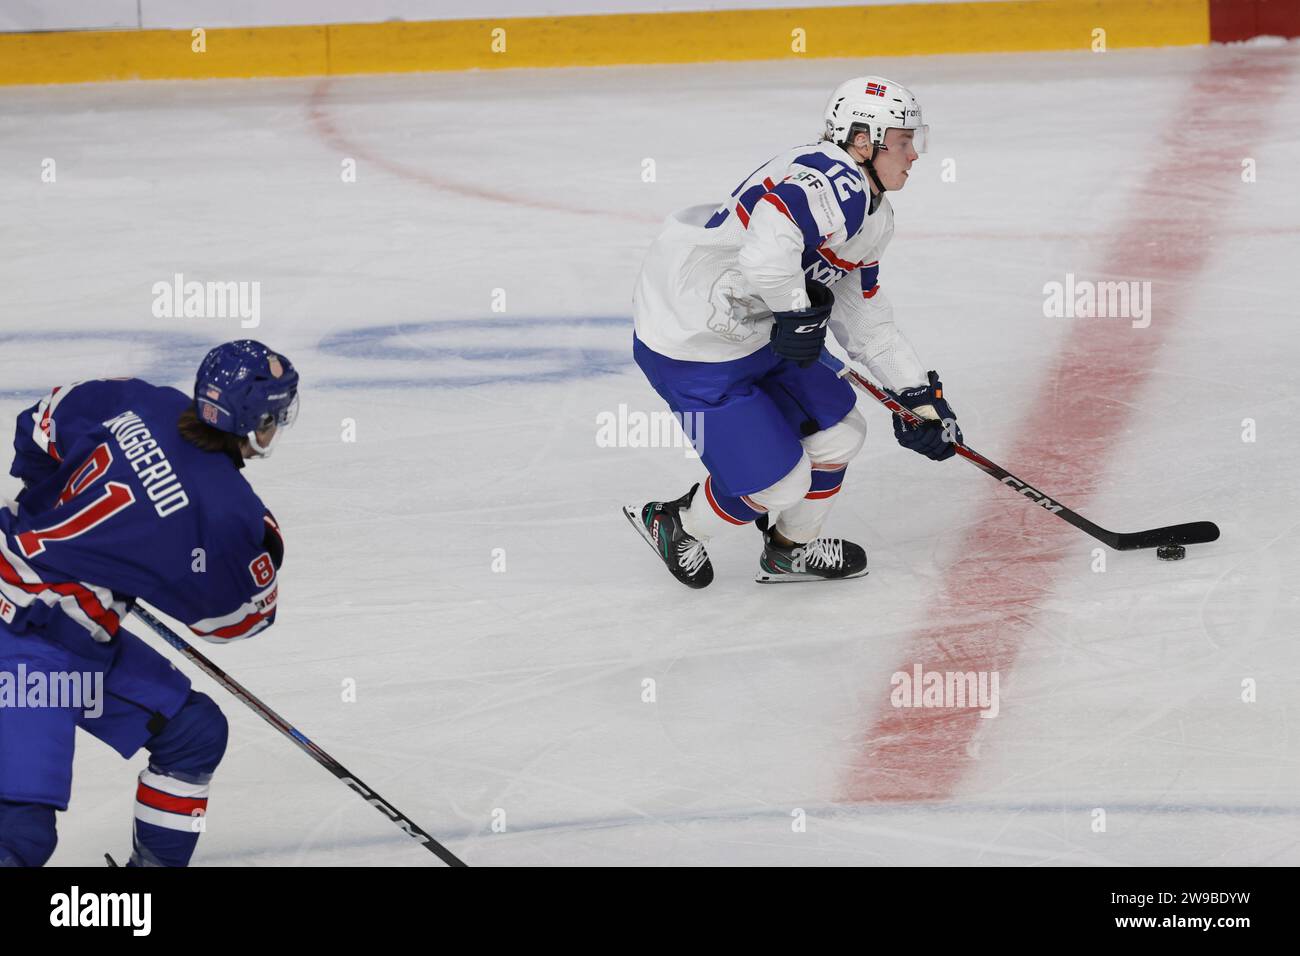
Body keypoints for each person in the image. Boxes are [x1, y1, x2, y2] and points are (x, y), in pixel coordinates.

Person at [625, 75, 962, 587]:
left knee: (839, 435)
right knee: (779, 484)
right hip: (693, 341)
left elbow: (866, 319)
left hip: (759, 331)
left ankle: (789, 550)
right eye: (904, 140)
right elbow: (766, 252)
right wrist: (795, 312)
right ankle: (678, 524)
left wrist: (916, 395)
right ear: (863, 139)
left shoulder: (873, 213)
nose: (914, 155)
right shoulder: (832, 180)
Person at [0, 340, 298, 866]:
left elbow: (38, 426)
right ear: (256, 422)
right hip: (29, 644)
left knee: (192, 733)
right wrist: (267, 539)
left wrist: (56, 514)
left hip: (55, 627)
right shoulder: (229, 512)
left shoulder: (141, 399)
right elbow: (236, 622)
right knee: (17, 836)